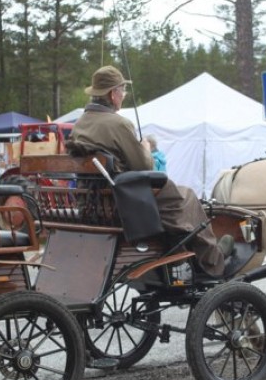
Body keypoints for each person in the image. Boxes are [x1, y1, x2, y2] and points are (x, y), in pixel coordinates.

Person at [67, 65, 231, 278]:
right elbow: (145, 167)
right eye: (122, 91)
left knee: (179, 201)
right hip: (122, 204)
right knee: (188, 197)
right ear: (112, 94)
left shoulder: (80, 124)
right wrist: (145, 148)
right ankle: (213, 261)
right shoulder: (118, 123)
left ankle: (182, 253)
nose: (124, 96)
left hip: (93, 203)